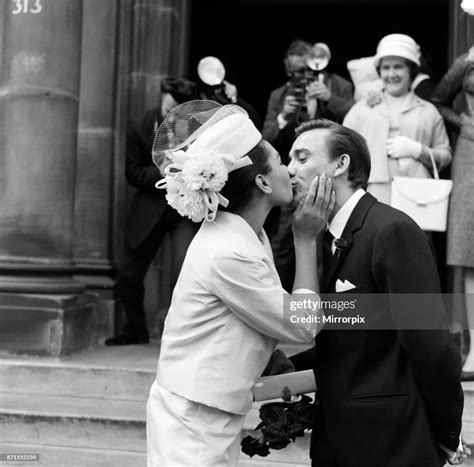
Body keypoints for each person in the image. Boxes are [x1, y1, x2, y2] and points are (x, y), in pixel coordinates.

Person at [146, 100, 335, 466]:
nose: (292, 172)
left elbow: (246, 315)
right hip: (194, 420)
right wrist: (306, 240)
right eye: (283, 161)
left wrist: (265, 354)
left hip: (207, 410)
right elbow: (303, 324)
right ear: (262, 182)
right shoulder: (229, 251)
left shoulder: (246, 233)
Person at [286, 119, 464, 466]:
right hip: (336, 438)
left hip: (391, 442)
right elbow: (352, 333)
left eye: (302, 158)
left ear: (341, 165)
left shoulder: (391, 231)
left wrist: (445, 434)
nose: (290, 170)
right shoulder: (322, 237)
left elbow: (431, 347)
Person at [105, 77, 199, 346]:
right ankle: (135, 330)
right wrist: (162, 170)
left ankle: (183, 337)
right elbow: (132, 172)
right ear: (162, 98)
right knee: (128, 273)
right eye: (168, 106)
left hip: (185, 207)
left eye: (178, 110)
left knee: (186, 269)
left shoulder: (198, 125)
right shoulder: (140, 124)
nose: (172, 114)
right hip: (150, 206)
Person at [343, 33, 451, 206]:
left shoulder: (428, 111)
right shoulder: (362, 109)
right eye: (386, 68)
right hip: (370, 196)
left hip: (416, 198)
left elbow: (445, 156)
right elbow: (342, 150)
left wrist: (419, 151)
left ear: (411, 70)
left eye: (398, 67)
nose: (391, 74)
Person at [432, 49, 474, 380]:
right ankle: (473, 347)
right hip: (470, 153)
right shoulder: (468, 60)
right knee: (468, 248)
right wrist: (464, 123)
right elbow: (439, 100)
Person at [263, 40, 355, 164]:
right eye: (295, 71)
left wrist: (330, 98)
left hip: (333, 160)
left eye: (305, 69)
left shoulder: (339, 85)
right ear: (288, 69)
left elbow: (357, 117)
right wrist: (283, 117)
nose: (301, 76)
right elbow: (265, 142)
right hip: (294, 164)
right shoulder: (278, 95)